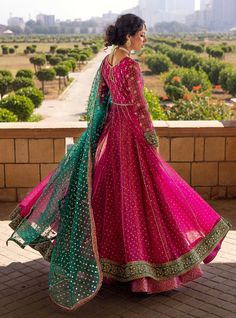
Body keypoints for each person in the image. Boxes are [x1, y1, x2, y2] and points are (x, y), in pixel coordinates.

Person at [6, 14, 232, 312]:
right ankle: (146, 273)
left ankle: (110, 264)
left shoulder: (107, 61)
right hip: (131, 137)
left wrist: (101, 132)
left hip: (111, 134)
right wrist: (151, 138)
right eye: (142, 34)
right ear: (128, 36)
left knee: (112, 197)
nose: (144, 39)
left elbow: (102, 99)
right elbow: (140, 106)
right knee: (145, 197)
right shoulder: (130, 65)